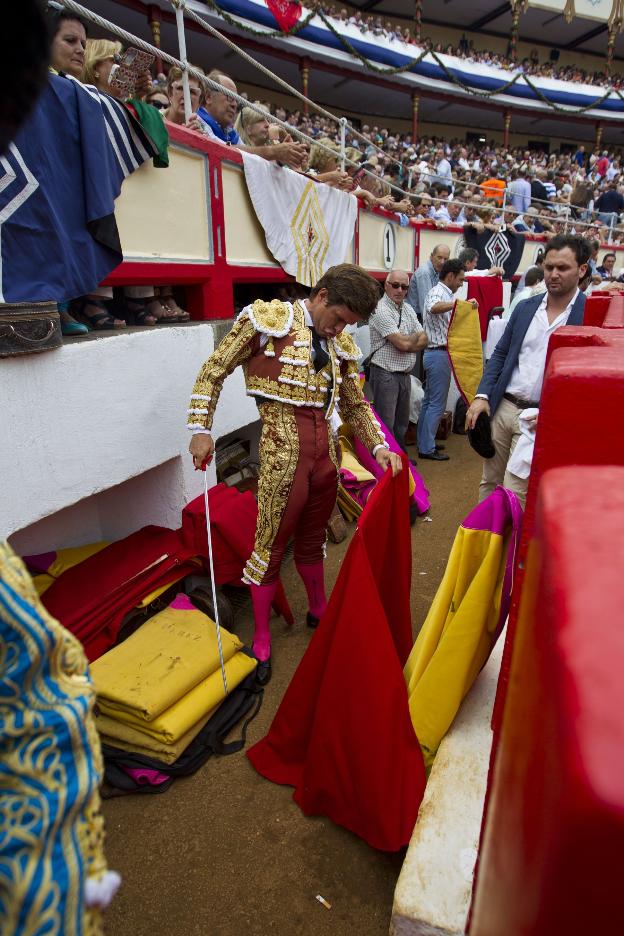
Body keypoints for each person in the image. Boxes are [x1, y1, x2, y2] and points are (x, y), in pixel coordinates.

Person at [187, 265, 402, 685]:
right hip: (282, 456)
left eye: (348, 325)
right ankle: (263, 636)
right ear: (321, 296)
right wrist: (200, 429)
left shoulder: (337, 340)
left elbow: (355, 404)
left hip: (326, 460)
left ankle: (317, 607)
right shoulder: (266, 321)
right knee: (269, 544)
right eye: (338, 318)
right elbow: (213, 371)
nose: (339, 329)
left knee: (312, 536)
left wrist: (379, 447)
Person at [466, 234, 589, 506]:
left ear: (582, 270)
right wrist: (483, 395)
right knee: (489, 482)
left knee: (515, 491)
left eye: (563, 268)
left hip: (540, 417)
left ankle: (510, 549)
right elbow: (499, 355)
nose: (553, 274)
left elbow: (586, 381)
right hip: (503, 408)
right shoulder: (525, 307)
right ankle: (485, 545)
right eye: (549, 267)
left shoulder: (589, 314)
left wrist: (556, 411)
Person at [418, 258, 477, 461]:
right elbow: (433, 307)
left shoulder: (443, 292)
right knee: (436, 403)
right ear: (450, 276)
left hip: (436, 353)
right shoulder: (437, 292)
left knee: (429, 402)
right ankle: (427, 448)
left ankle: (426, 442)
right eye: (460, 279)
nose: (461, 283)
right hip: (438, 353)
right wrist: (458, 304)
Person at [198, 70, 307, 170]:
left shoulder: (230, 133)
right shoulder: (196, 120)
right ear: (208, 97)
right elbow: (220, 149)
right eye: (229, 96)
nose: (234, 104)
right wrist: (274, 151)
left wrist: (281, 160)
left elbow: (250, 159)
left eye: (236, 99)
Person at [368, 270, 428, 450]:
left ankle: (401, 460)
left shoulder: (407, 308)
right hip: (385, 373)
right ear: (386, 285)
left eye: (404, 287)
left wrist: (406, 342)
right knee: (386, 424)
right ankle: (387, 465)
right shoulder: (380, 309)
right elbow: (402, 343)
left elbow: (424, 339)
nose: (400, 290)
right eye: (395, 285)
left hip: (403, 374)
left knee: (402, 423)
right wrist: (410, 340)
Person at [406, 243, 450, 319]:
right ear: (431, 256)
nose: (442, 262)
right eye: (439, 258)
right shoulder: (424, 272)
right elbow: (426, 306)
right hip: (416, 317)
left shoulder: (437, 270)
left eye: (445, 259)